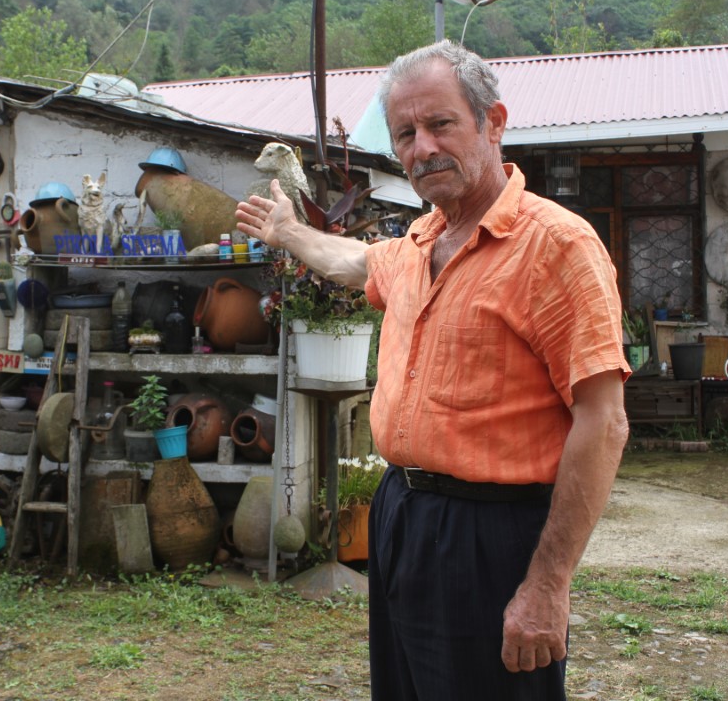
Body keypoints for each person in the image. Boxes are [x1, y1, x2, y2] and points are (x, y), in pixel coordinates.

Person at [236, 40, 630, 700]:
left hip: (493, 536)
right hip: (403, 516)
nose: (421, 148)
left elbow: (604, 420)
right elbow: (355, 262)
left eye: (440, 124)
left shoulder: (556, 246)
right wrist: (288, 234)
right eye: (405, 134)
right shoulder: (422, 242)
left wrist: (547, 584)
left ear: (493, 122)